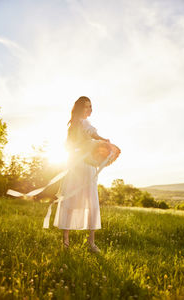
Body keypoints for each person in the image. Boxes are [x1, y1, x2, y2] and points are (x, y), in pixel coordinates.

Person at [53, 96, 110, 253]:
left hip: (82, 165)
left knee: (83, 200)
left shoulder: (76, 125)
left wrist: (98, 141)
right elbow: (90, 134)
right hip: (79, 166)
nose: (89, 109)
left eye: (90, 106)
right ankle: (83, 243)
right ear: (79, 108)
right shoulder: (78, 124)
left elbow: (88, 135)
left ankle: (78, 242)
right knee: (79, 199)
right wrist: (102, 139)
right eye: (86, 106)